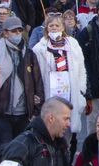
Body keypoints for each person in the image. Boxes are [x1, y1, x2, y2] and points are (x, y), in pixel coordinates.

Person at [0, 15, 45, 162]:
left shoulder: (29, 55)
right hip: (1, 112)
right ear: (5, 33)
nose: (17, 34)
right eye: (13, 31)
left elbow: (38, 82)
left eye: (19, 31)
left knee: (19, 150)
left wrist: (36, 107)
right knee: (6, 150)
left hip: (23, 114)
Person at [30, 14, 88, 142]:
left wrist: (81, 90)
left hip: (70, 93)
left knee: (67, 131)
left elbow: (81, 68)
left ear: (63, 27)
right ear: (46, 28)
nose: (54, 28)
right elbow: (36, 73)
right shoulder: (39, 48)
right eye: (51, 26)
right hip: (50, 93)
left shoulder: (73, 44)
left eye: (57, 25)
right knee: (50, 129)